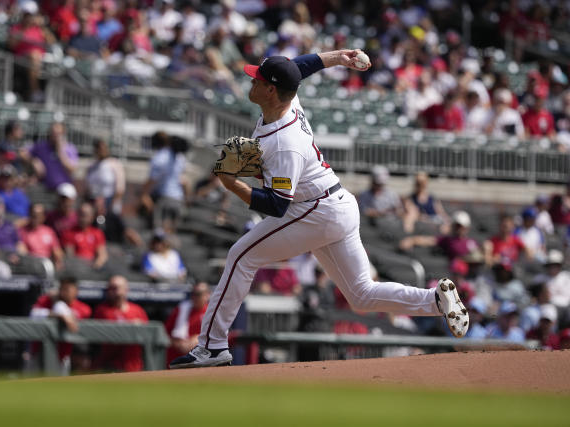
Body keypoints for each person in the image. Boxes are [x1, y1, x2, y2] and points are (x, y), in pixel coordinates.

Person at [169, 50, 469, 369]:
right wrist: (339, 57)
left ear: (270, 90)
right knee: (361, 294)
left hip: (315, 209)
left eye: (256, 77)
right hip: (334, 203)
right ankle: (434, 300)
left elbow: (276, 206)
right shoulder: (287, 100)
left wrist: (233, 184)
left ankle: (213, 346)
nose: (251, 78)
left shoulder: (285, 143)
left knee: (241, 256)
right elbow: (295, 70)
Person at [29, 276, 92, 374]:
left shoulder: (83, 307)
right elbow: (33, 314)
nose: (63, 292)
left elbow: (74, 320)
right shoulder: (47, 300)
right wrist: (59, 314)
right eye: (61, 289)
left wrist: (59, 307)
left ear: (76, 291)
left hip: (63, 355)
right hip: (38, 351)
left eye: (67, 289)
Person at [93, 275, 149, 372]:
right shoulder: (102, 310)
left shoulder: (137, 310)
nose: (116, 292)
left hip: (133, 365)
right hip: (109, 365)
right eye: (112, 288)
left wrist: (139, 326)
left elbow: (148, 335)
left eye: (118, 288)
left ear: (126, 289)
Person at [400, 210, 480, 260]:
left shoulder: (472, 242)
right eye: (457, 225)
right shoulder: (447, 240)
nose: (459, 228)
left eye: (461, 226)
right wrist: (412, 240)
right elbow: (429, 240)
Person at [164, 282, 211, 367]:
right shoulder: (181, 309)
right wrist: (178, 343)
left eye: (199, 294)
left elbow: (218, 339)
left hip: (200, 362)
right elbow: (165, 334)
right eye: (193, 294)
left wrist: (198, 340)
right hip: (177, 361)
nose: (195, 297)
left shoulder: (211, 313)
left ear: (208, 295)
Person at [30, 123, 79, 191]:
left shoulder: (70, 148)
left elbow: (71, 169)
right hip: (45, 188)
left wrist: (60, 151)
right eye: (53, 133)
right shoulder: (41, 147)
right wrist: (33, 161)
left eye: (58, 134)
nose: (55, 136)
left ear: (63, 134)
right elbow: (23, 153)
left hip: (63, 191)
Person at [61, 202, 108, 271]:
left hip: (93, 269)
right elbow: (70, 255)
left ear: (92, 217)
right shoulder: (69, 233)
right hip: (76, 269)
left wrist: (96, 266)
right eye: (80, 214)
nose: (82, 218)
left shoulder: (97, 233)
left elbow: (102, 254)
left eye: (85, 215)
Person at [18, 203, 65, 270]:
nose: (35, 218)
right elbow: (22, 251)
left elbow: (56, 250)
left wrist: (58, 260)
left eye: (38, 215)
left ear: (43, 217)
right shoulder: (22, 231)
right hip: (31, 265)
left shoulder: (49, 231)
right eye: (33, 215)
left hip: (47, 265)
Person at [85, 139, 126, 214]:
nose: (101, 151)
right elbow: (87, 188)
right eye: (99, 148)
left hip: (109, 202)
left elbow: (120, 189)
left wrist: (111, 205)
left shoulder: (115, 164)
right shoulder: (91, 166)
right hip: (94, 202)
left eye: (103, 148)